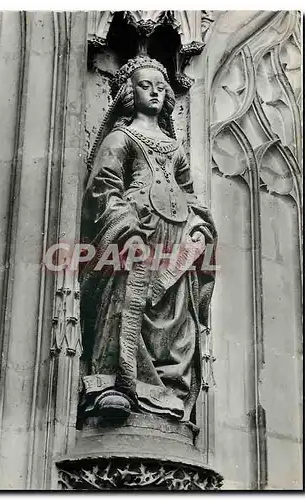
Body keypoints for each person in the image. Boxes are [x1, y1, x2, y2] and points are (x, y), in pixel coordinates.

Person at [79, 55, 216, 424]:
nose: (154, 93)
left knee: (175, 316)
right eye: (145, 86)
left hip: (175, 239)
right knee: (126, 301)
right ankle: (114, 384)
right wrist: (123, 224)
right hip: (136, 234)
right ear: (128, 92)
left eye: (161, 87)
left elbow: (189, 194)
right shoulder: (120, 138)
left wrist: (200, 225)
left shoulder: (175, 148)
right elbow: (104, 186)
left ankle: (167, 389)